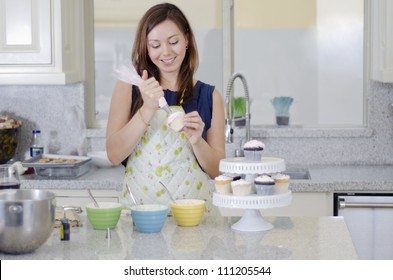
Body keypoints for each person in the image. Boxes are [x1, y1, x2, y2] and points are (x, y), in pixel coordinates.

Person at [106, 3, 225, 207]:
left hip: (192, 221)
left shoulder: (209, 96)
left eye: (173, 41)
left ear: (186, 40)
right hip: (140, 218)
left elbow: (218, 172)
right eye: (155, 45)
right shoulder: (129, 87)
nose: (166, 52)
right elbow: (114, 155)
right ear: (145, 46)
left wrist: (197, 141)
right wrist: (148, 108)